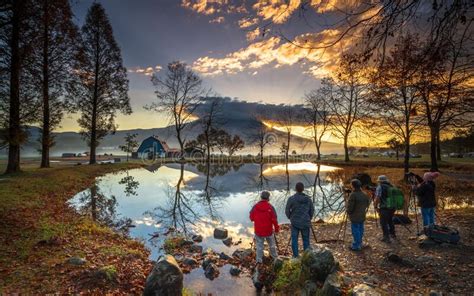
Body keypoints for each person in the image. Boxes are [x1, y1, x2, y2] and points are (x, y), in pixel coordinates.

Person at [285, 182, 315, 257]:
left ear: (296, 189)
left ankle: (295, 256)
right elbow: (312, 210)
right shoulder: (308, 199)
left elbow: (287, 210)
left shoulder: (291, 199)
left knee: (294, 240)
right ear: (303, 189)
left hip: (295, 222)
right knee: (306, 240)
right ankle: (306, 256)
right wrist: (309, 218)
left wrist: (290, 217)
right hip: (305, 222)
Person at [249, 191, 279, 263]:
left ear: (261, 197)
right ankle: (274, 257)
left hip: (258, 231)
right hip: (268, 230)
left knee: (259, 247)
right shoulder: (271, 207)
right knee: (272, 245)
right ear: (268, 198)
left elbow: (251, 218)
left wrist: (257, 219)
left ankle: (259, 260)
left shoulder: (255, 206)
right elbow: (274, 219)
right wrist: (277, 229)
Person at [346, 179, 370, 251]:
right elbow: (367, 204)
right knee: (360, 229)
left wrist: (348, 211)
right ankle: (360, 243)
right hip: (362, 215)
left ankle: (356, 245)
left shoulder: (353, 195)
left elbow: (350, 207)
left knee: (355, 230)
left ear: (353, 186)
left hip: (355, 216)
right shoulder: (364, 194)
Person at [374, 175, 396, 243]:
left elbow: (377, 198)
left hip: (384, 207)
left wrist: (375, 206)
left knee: (383, 222)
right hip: (392, 207)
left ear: (379, 181)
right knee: (390, 220)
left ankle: (386, 237)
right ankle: (392, 234)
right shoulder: (391, 186)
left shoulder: (380, 187)